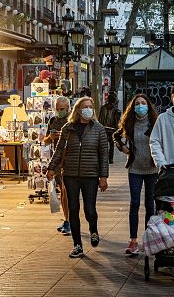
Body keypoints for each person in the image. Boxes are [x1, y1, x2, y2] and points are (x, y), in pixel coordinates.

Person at [47, 97, 109, 259]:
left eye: (90, 107)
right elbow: (59, 150)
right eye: (84, 107)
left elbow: (104, 154)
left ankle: (93, 230)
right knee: (73, 209)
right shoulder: (69, 128)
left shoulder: (98, 129)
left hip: (91, 175)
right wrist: (51, 168)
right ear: (78, 110)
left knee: (90, 209)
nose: (88, 109)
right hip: (71, 174)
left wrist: (103, 176)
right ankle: (77, 245)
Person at [113, 94, 159, 255]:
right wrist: (123, 148)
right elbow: (116, 136)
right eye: (137, 104)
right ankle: (133, 241)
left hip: (152, 169)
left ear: (148, 105)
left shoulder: (155, 123)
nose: (140, 106)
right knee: (134, 203)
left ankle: (149, 238)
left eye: (143, 103)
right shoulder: (129, 124)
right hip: (135, 169)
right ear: (132, 107)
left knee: (150, 204)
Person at [44, 96, 71, 235]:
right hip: (57, 160)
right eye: (58, 109)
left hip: (70, 160)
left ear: (68, 108)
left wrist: (64, 135)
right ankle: (67, 220)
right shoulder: (53, 120)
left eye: (62, 109)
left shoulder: (72, 120)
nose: (60, 111)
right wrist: (52, 137)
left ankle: (69, 221)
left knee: (67, 192)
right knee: (62, 191)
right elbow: (45, 141)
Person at [97, 94, 121, 165]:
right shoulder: (116, 109)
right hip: (112, 129)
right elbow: (116, 121)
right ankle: (110, 159)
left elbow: (100, 118)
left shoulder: (103, 108)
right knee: (111, 144)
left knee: (103, 144)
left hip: (103, 128)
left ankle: (103, 158)